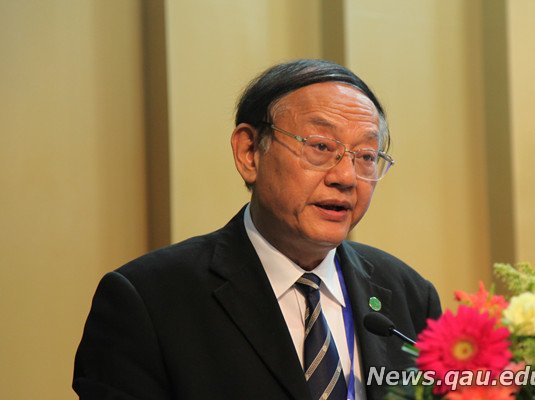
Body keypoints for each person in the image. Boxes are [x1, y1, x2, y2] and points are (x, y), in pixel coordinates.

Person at [73, 59, 441, 400]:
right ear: (249, 152)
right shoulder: (147, 301)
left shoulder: (409, 296)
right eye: (320, 147)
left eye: (366, 157)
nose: (345, 177)